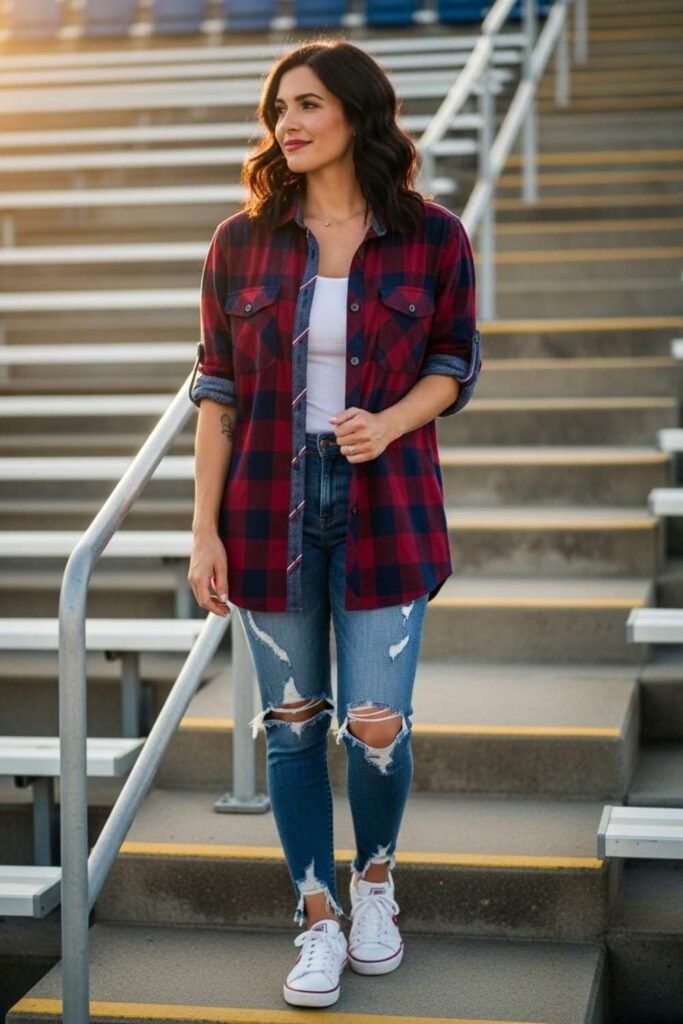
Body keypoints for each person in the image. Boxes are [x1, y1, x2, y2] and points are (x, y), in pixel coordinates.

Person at [187, 38, 481, 1010]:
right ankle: (316, 914)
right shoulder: (241, 242)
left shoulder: (433, 237)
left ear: (357, 113)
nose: (289, 123)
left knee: (375, 726)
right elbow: (218, 392)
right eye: (279, 109)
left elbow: (453, 364)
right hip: (263, 505)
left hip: (385, 500)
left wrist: (385, 423)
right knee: (292, 727)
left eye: (308, 104)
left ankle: (375, 885)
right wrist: (202, 529)